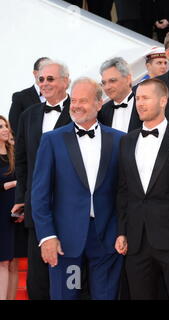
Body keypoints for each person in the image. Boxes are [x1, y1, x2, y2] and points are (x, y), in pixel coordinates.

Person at [31, 77, 125, 300]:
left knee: (106, 296)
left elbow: (124, 192)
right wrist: (47, 236)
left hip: (107, 240)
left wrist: (123, 231)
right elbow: (40, 194)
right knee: (66, 295)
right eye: (74, 100)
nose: (76, 106)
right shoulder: (52, 140)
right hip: (65, 240)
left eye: (83, 100)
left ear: (99, 104)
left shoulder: (119, 140)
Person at [115, 78, 169, 299]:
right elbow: (123, 190)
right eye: (137, 98)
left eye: (145, 98)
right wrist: (122, 231)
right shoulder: (126, 141)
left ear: (163, 101)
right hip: (136, 239)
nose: (139, 103)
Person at [13, 60, 72, 300]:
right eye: (41, 79)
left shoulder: (78, 111)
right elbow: (22, 161)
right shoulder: (29, 115)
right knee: (37, 277)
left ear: (65, 81)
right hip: (37, 206)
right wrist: (22, 197)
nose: (44, 84)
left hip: (69, 206)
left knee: (69, 268)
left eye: (51, 79)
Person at [0, 116, 21, 300]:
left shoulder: (14, 153)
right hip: (1, 213)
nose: (5, 129)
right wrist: (12, 184)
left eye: (6, 125)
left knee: (14, 263)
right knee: (3, 262)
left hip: (16, 214)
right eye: (0, 127)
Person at [98, 57, 142, 133]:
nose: (107, 87)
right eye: (104, 83)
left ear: (128, 79)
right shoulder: (101, 112)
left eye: (112, 81)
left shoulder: (145, 106)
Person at [9, 57, 49, 134]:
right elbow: (14, 126)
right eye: (44, 69)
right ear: (35, 73)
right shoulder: (20, 97)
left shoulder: (60, 97)